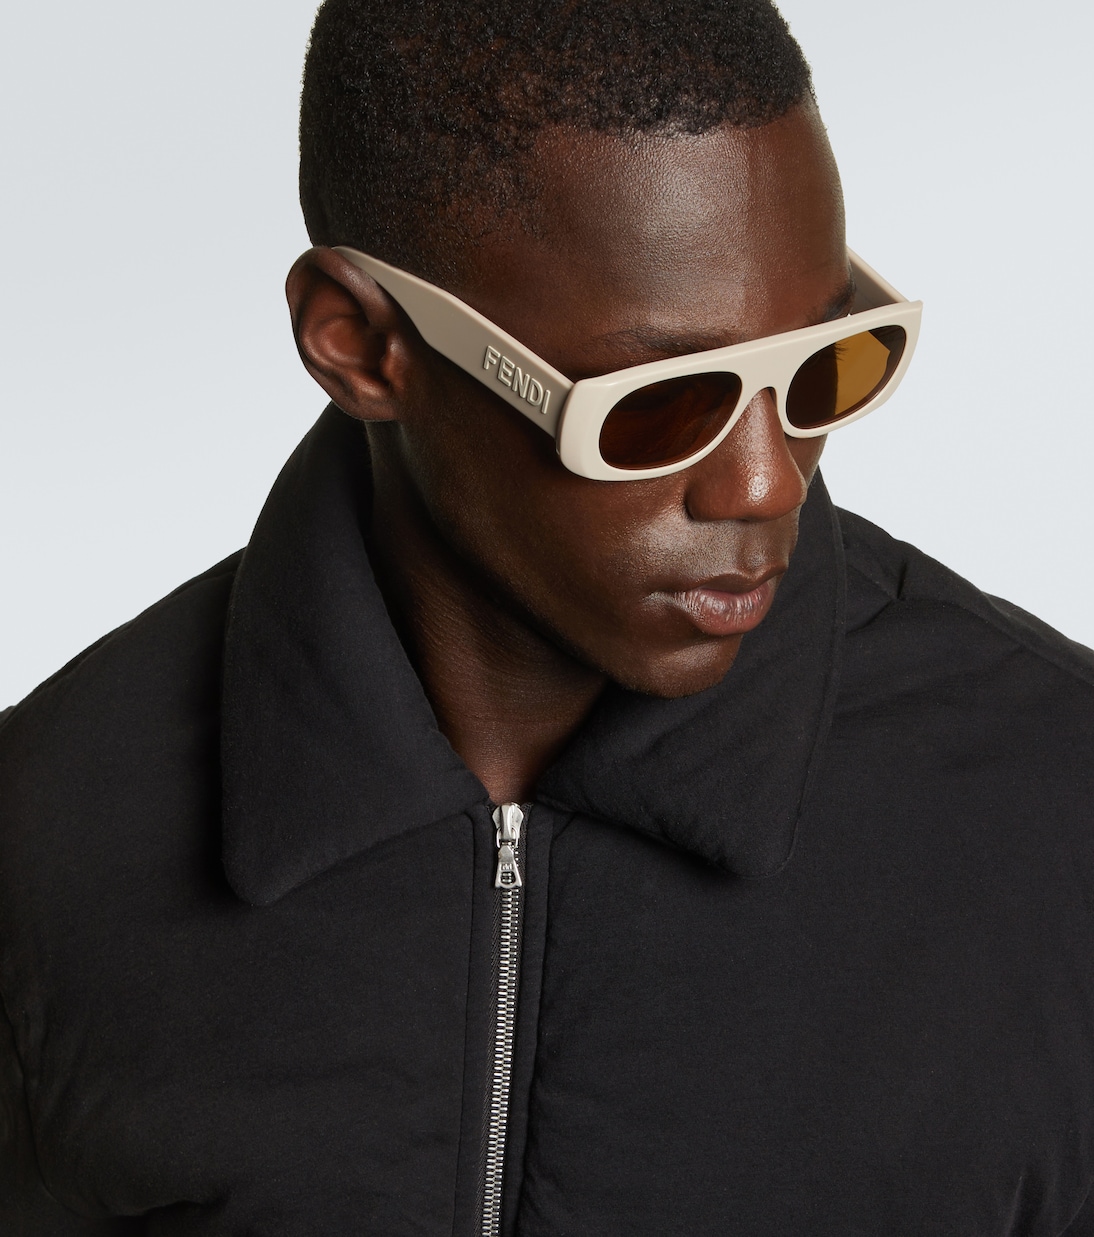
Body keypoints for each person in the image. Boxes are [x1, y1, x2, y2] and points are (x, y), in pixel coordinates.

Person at [2, 0, 1092, 1232]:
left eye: (824, 365)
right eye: (658, 404)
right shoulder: (45, 839)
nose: (764, 482)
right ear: (360, 343)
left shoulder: (1058, 805)